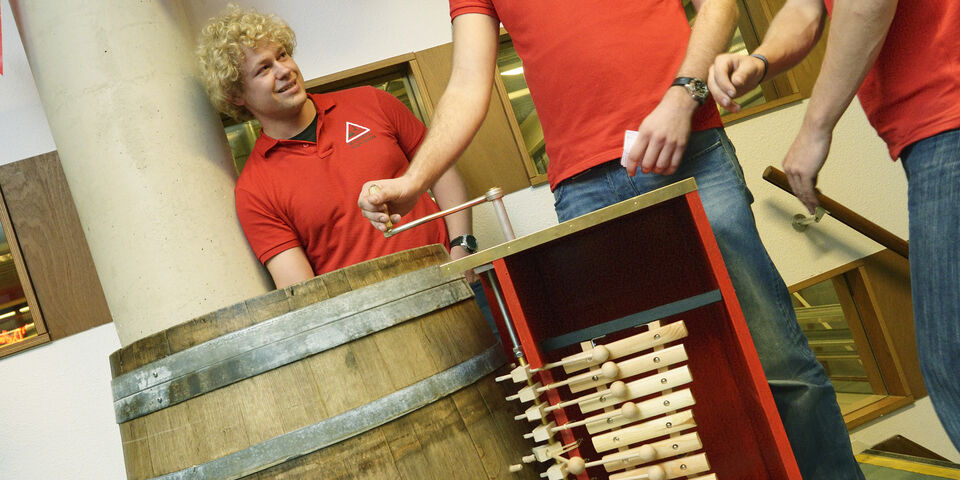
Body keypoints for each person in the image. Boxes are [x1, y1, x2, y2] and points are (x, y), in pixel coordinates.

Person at [357, 1, 864, 478]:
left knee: (779, 367)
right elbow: (467, 84)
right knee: (646, 402)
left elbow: (717, 4)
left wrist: (684, 94)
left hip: (692, 149)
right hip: (582, 190)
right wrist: (413, 182)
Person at [709, 0, 960, 449]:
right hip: (936, 129)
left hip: (948, 120)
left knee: (953, 359)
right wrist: (758, 60)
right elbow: (806, 9)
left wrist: (815, 128)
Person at [195, 4, 476, 289]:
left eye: (283, 55)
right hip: (378, 324)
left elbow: (441, 171)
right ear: (236, 95)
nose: (285, 70)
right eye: (264, 69)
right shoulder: (254, 190)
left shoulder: (372, 102)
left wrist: (461, 250)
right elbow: (302, 290)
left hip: (452, 280)